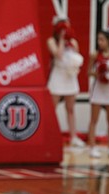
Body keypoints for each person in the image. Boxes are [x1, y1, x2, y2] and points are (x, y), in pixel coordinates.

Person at [46, 16, 85, 147]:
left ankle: (73, 136)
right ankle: (50, 134)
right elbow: (58, 54)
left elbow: (77, 58)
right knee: (52, 108)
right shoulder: (52, 41)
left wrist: (70, 42)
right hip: (58, 75)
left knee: (71, 108)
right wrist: (62, 39)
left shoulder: (73, 41)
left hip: (70, 76)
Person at [87, 25, 109, 158]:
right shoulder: (95, 55)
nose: (99, 42)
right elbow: (88, 72)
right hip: (98, 89)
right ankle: (92, 147)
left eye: (102, 39)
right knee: (93, 120)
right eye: (98, 40)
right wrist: (99, 73)